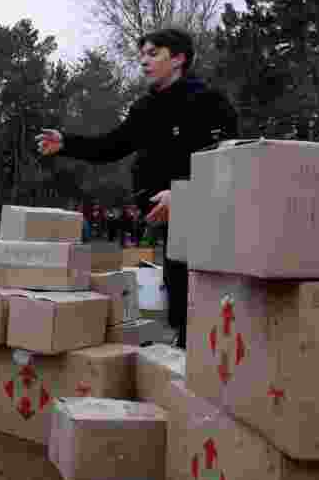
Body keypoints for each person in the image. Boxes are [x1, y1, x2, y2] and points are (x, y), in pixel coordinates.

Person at [37, 28, 238, 349]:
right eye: (142, 54)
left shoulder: (209, 102)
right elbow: (111, 146)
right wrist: (66, 143)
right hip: (170, 223)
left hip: (209, 218)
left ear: (179, 59)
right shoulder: (145, 108)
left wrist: (185, 194)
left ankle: (204, 358)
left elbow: (228, 157)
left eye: (153, 53)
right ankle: (186, 348)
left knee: (205, 294)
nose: (144, 61)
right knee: (177, 291)